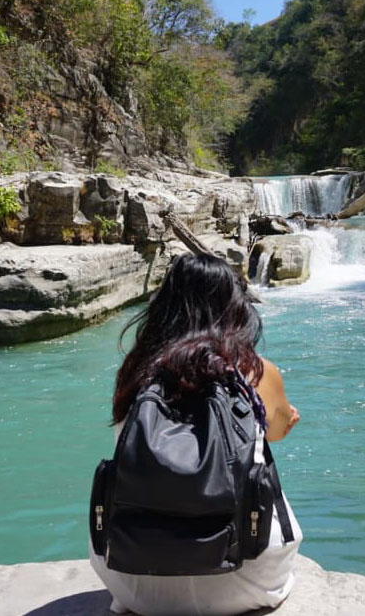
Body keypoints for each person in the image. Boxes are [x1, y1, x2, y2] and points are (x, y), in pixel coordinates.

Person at [89, 252, 302, 616]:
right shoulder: (256, 371)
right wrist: (282, 417)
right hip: (245, 585)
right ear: (234, 307)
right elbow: (277, 431)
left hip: (135, 585)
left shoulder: (136, 372)